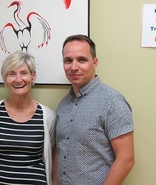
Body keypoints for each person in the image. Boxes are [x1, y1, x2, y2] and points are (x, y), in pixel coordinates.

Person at [54, 34, 135, 185]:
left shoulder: (112, 101)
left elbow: (126, 159)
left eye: (82, 60)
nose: (74, 67)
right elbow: (60, 151)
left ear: (95, 62)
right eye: (68, 60)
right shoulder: (63, 105)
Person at [0, 51, 56, 185]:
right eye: (12, 74)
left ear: (33, 76)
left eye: (24, 73)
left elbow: (49, 155)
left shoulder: (47, 116)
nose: (18, 79)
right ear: (5, 79)